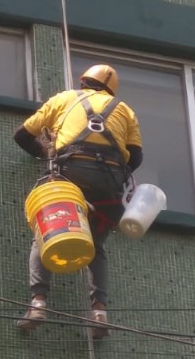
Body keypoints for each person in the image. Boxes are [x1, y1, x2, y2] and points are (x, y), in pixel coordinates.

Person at [14, 63, 143, 335]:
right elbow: (136, 157)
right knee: (96, 245)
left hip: (71, 174)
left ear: (83, 82)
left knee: (45, 232)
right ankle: (99, 312)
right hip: (109, 184)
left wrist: (45, 153)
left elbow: (22, 135)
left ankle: (38, 303)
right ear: (110, 90)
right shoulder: (124, 109)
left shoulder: (64, 99)